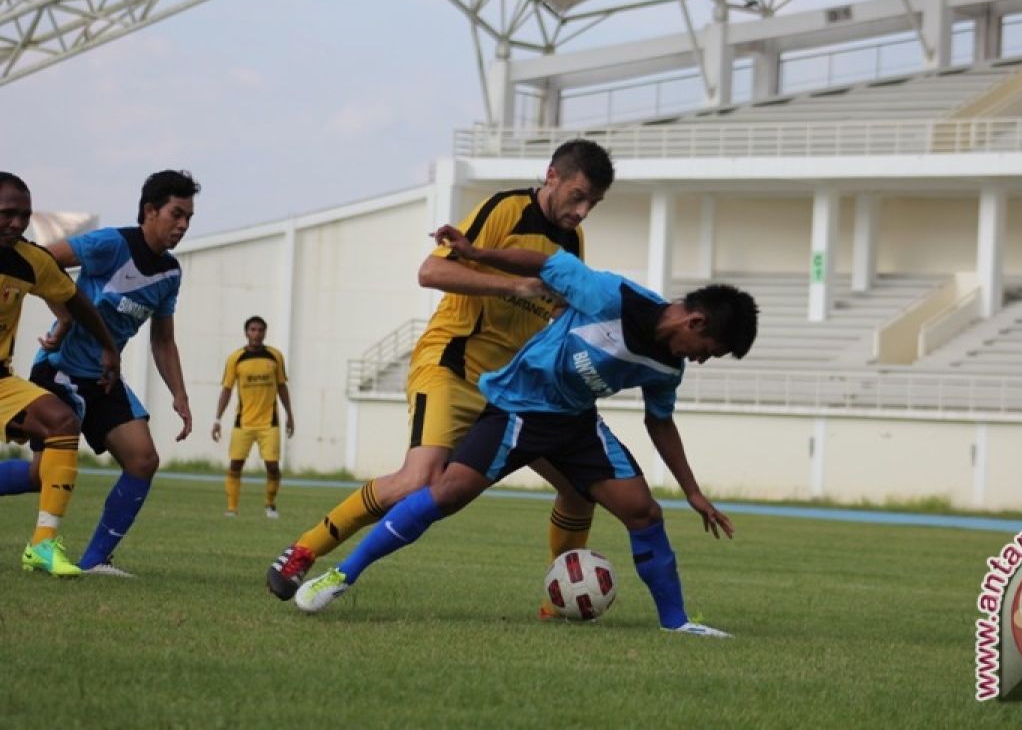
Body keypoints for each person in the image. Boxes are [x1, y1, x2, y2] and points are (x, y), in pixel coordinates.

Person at [294, 225, 759, 637]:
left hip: (576, 424)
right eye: (707, 350)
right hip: (517, 406)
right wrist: (475, 251)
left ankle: (676, 623)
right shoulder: (609, 296)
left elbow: (659, 420)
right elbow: (545, 262)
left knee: (642, 511)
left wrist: (693, 492)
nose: (700, 360)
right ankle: (342, 575)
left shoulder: (667, 367)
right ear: (695, 322)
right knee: (448, 493)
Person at [267, 140, 614, 619]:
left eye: (592, 203)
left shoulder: (572, 243)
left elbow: (557, 307)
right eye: (577, 196)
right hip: (452, 364)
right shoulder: (505, 209)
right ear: (551, 175)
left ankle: (560, 602)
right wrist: (514, 285)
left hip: (511, 388)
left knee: (580, 486)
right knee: (419, 480)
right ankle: (305, 549)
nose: (582, 211)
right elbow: (431, 271)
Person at [1, 170, 197, 577]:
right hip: (60, 369)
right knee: (44, 471)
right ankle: (44, 546)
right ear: (150, 210)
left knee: (143, 460)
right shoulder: (111, 244)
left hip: (105, 378)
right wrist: (64, 318)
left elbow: (163, 340)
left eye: (189, 218)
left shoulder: (170, 274)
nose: (182, 225)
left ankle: (95, 562)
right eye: (176, 214)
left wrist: (179, 394)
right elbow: (44, 259)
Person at [0, 172, 121, 576]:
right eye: (7, 214)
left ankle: (43, 544)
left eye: (24, 215)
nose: (17, 223)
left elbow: (76, 300)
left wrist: (107, 346)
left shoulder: (31, 260)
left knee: (62, 421)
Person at [212, 315, 293, 518]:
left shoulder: (275, 357)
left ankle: (270, 505)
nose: (256, 333)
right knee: (235, 464)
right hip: (244, 423)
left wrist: (290, 415)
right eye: (252, 330)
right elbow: (227, 390)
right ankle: (231, 508)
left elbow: (282, 387)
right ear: (246, 332)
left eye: (260, 330)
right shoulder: (235, 358)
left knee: (272, 467)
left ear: (265, 332)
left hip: (269, 423)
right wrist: (217, 420)